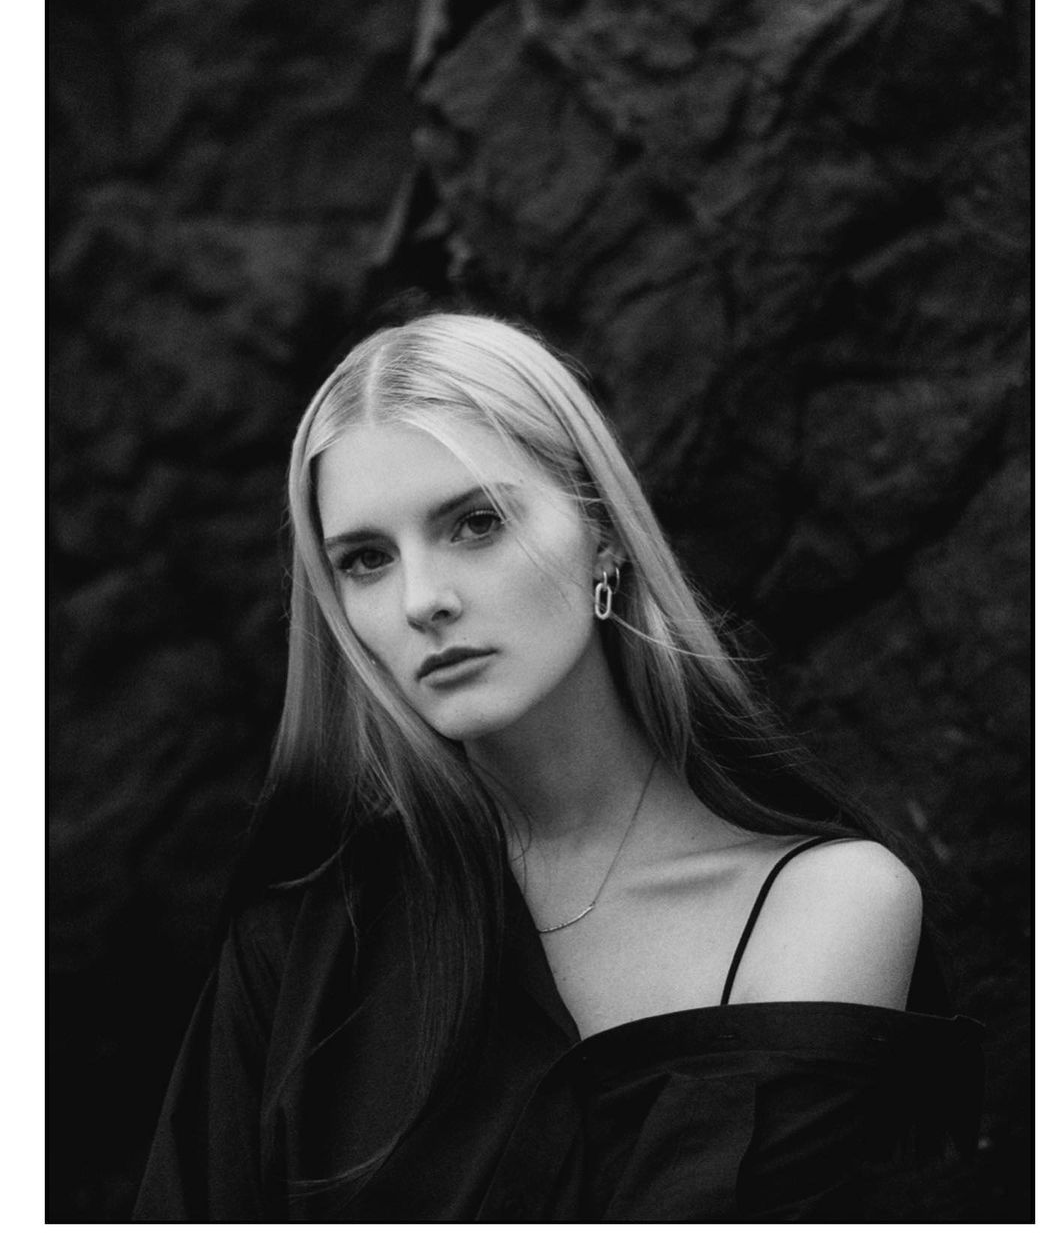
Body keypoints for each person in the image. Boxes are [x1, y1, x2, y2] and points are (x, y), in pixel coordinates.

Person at [134, 312, 982, 1221]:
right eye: (367, 560)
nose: (423, 600)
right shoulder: (305, 939)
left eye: (476, 523)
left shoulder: (826, 907)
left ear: (602, 534)